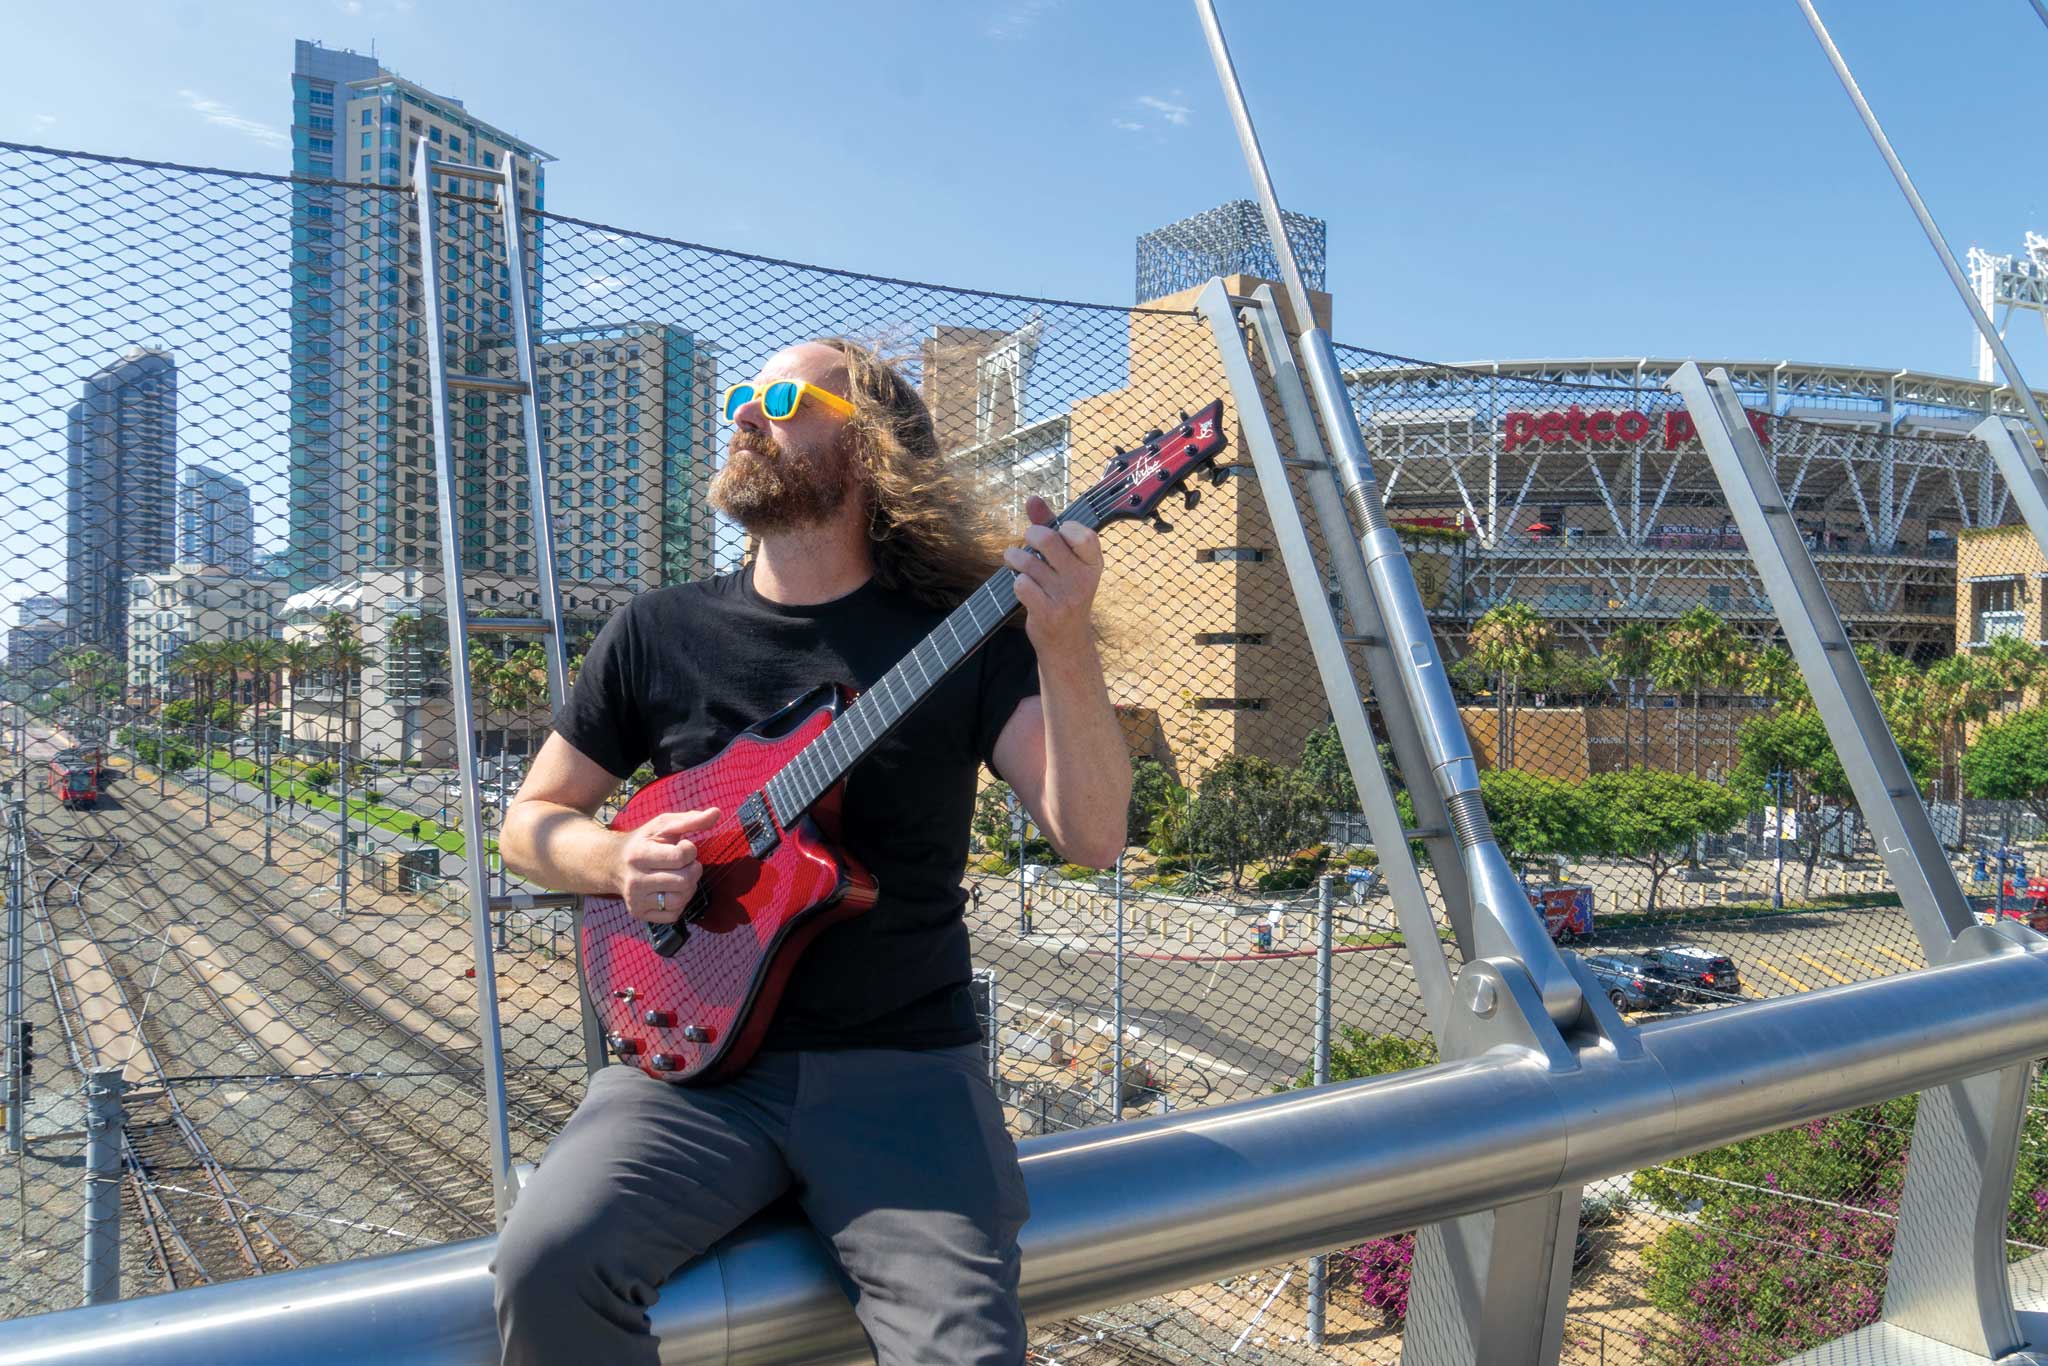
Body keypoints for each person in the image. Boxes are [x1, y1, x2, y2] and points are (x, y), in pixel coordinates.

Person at [491, 338, 1131, 1365]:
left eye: (781, 397)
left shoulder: (964, 634)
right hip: (687, 1075)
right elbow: (527, 824)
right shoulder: (658, 631)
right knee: (545, 1265)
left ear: (868, 449)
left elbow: (1093, 835)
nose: (744, 411)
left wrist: (1062, 642)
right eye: (741, 393)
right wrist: (612, 859)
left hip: (903, 1073)